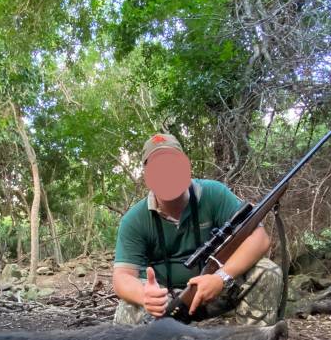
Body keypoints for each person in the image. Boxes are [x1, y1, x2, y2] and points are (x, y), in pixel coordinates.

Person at [112, 133, 283, 326]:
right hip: (165, 301)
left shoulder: (214, 193)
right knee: (128, 307)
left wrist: (220, 278)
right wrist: (146, 296)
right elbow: (122, 277)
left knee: (267, 271)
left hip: (214, 290)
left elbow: (259, 238)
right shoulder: (134, 219)